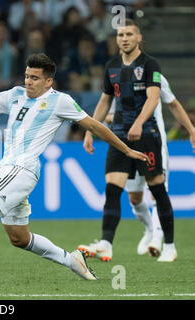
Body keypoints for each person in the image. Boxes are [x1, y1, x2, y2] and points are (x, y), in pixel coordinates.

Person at [0, 53, 149, 280]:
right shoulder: (15, 95)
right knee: (19, 238)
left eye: (35, 78)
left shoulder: (61, 101)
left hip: (22, 167)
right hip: (10, 167)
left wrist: (126, 150)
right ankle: (72, 260)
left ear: (49, 81)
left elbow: (95, 126)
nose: (28, 81)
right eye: (27, 76)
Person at [78, 19, 178, 262]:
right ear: (116, 39)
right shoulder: (111, 66)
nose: (124, 38)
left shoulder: (150, 64)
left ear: (139, 38)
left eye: (129, 34)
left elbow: (153, 98)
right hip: (119, 136)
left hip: (146, 136)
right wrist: (91, 129)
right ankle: (105, 243)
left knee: (157, 189)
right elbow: (105, 101)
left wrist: (139, 123)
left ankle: (170, 246)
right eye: (120, 34)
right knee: (113, 189)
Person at [105, 74, 195, 258]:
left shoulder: (155, 76)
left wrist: (191, 129)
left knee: (157, 192)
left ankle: (158, 241)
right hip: (128, 144)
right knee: (135, 198)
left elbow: (173, 102)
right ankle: (150, 229)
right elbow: (109, 113)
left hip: (154, 141)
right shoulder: (116, 76)